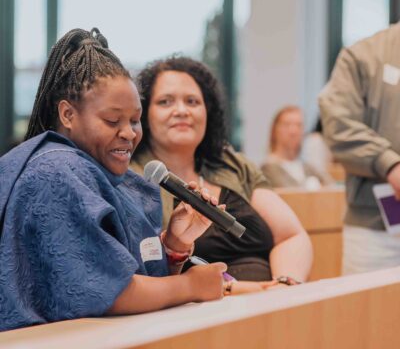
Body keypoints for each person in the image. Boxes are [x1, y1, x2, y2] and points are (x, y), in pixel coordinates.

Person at [0, 28, 229, 332]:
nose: (129, 133)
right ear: (68, 114)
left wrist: (174, 246)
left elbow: (138, 279)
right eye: (112, 120)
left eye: (135, 120)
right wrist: (190, 286)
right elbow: (104, 293)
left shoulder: (100, 173)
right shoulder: (56, 172)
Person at [131, 56, 313, 285]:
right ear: (144, 113)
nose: (181, 110)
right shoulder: (130, 177)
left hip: (272, 300)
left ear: (208, 111)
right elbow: (142, 273)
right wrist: (233, 291)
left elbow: (291, 236)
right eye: (165, 102)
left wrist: (284, 287)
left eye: (192, 101)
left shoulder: (233, 165)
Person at [319, 23, 400, 275]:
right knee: (366, 314)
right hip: (377, 234)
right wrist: (390, 165)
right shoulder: (364, 55)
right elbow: (338, 124)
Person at [260, 106, 333, 189]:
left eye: (299, 125)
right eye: (287, 125)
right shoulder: (268, 168)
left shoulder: (306, 166)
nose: (293, 131)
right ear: (275, 130)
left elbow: (330, 186)